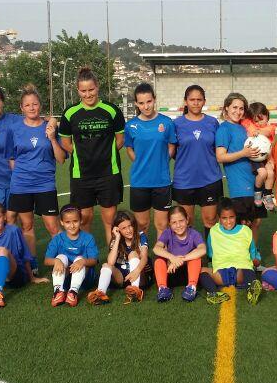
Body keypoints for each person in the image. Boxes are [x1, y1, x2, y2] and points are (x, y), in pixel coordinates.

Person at [58, 67, 125, 246]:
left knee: (110, 220)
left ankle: (114, 260)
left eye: (91, 89)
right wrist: (84, 154)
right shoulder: (70, 113)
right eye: (83, 91)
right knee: (84, 219)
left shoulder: (111, 110)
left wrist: (103, 155)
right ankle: (87, 260)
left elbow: (120, 140)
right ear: (78, 91)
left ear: (98, 87)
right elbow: (65, 143)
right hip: (82, 175)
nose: (88, 94)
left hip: (108, 173)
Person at [9, 88, 67, 260]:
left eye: (35, 104)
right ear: (21, 108)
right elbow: (11, 158)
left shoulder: (50, 127)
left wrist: (52, 139)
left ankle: (64, 260)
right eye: (27, 105)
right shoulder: (14, 129)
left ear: (40, 105)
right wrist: (22, 175)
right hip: (21, 185)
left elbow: (61, 159)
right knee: (27, 225)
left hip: (45, 184)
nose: (32, 107)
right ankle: (31, 264)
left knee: (53, 226)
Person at [124, 83, 176, 238]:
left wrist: (162, 161)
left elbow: (171, 145)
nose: (146, 106)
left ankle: (162, 259)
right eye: (141, 103)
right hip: (140, 182)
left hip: (161, 181)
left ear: (154, 99)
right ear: (136, 104)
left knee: (162, 225)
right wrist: (140, 162)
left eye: (149, 101)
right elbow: (129, 148)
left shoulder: (166, 123)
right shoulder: (131, 125)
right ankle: (143, 259)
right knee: (142, 225)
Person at [172, 85, 223, 233]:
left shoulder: (213, 123)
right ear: (185, 101)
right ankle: (190, 256)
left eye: (199, 99)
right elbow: (172, 151)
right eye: (192, 99)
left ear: (204, 101)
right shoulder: (176, 124)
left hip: (210, 179)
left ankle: (212, 256)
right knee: (186, 223)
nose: (195, 103)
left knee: (211, 221)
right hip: (184, 181)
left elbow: (217, 150)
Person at [214, 93, 264, 239]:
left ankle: (254, 255)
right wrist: (244, 153)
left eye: (241, 108)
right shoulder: (224, 129)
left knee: (256, 221)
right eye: (234, 107)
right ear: (226, 109)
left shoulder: (244, 127)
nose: (238, 111)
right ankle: (241, 256)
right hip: (239, 185)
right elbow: (220, 156)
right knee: (243, 224)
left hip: (254, 181)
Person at [202, 198, 263, 305]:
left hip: (220, 275)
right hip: (240, 273)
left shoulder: (213, 231)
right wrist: (257, 259)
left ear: (236, 216)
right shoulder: (246, 230)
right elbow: (252, 253)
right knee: (248, 269)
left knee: (202, 271)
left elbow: (211, 254)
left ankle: (212, 292)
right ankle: (251, 286)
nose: (228, 221)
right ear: (219, 218)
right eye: (224, 218)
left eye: (231, 217)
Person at [44, 205, 99, 307]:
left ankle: (73, 292)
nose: (72, 225)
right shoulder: (58, 239)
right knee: (60, 257)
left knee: (80, 259)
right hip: (65, 280)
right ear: (61, 222)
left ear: (81, 220)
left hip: (85, 280)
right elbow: (47, 260)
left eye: (75, 221)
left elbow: (94, 260)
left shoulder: (88, 238)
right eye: (68, 222)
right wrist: (56, 261)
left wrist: (83, 261)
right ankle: (58, 291)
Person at [152, 206, 208, 303]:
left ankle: (191, 288)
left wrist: (181, 260)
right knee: (159, 260)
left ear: (187, 220)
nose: (178, 225)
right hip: (171, 273)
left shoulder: (194, 234)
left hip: (189, 274)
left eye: (181, 221)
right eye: (174, 222)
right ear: (169, 224)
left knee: (196, 258)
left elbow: (202, 250)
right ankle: (163, 289)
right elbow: (156, 248)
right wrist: (172, 257)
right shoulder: (167, 233)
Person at [94, 211, 150, 305]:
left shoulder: (140, 236)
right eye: (123, 228)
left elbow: (144, 258)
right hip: (122, 276)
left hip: (139, 274)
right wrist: (117, 238)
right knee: (106, 265)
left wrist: (136, 271)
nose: (128, 230)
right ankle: (101, 293)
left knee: (133, 253)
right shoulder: (116, 238)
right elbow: (111, 262)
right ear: (117, 229)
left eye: (130, 226)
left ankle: (135, 291)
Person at [240, 102, 277, 210]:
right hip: (256, 156)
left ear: (267, 116)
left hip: (268, 156)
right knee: (262, 173)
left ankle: (268, 195)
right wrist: (252, 129)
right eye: (255, 121)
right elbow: (244, 121)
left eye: (261, 119)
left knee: (270, 172)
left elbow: (266, 132)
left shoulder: (271, 128)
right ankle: (257, 192)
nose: (259, 123)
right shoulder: (250, 125)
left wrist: (256, 131)